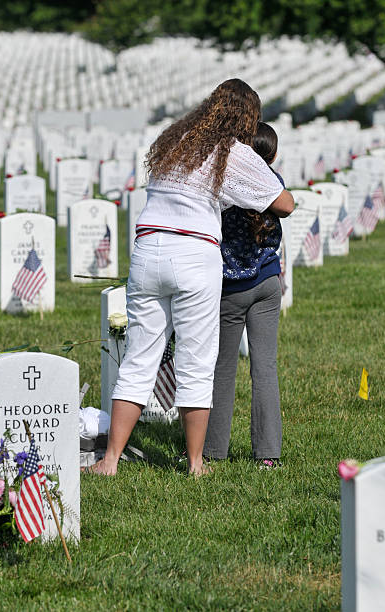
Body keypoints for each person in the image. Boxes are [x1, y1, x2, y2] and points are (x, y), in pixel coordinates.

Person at [88, 81, 294, 476]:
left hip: (149, 249)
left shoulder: (176, 140)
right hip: (195, 254)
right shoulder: (232, 151)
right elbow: (283, 202)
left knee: (138, 360)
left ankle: (110, 459)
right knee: (197, 363)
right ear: (246, 117)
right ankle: (198, 463)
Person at [203, 121, 293, 468]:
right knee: (265, 368)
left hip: (230, 288)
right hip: (268, 283)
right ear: (271, 154)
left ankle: (212, 449)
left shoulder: (228, 186)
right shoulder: (275, 185)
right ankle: (268, 454)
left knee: (222, 369)